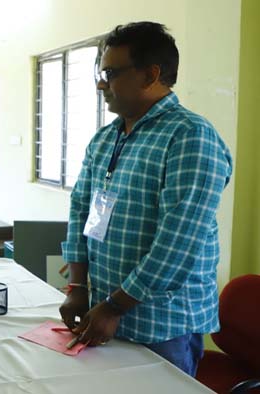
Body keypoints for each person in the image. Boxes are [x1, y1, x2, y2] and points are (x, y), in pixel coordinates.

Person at [59, 21, 232, 377]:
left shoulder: (190, 137)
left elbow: (177, 243)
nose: (100, 83)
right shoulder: (107, 138)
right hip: (105, 310)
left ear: (150, 74)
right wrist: (78, 286)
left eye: (110, 72)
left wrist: (113, 308)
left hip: (162, 323)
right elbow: (80, 208)